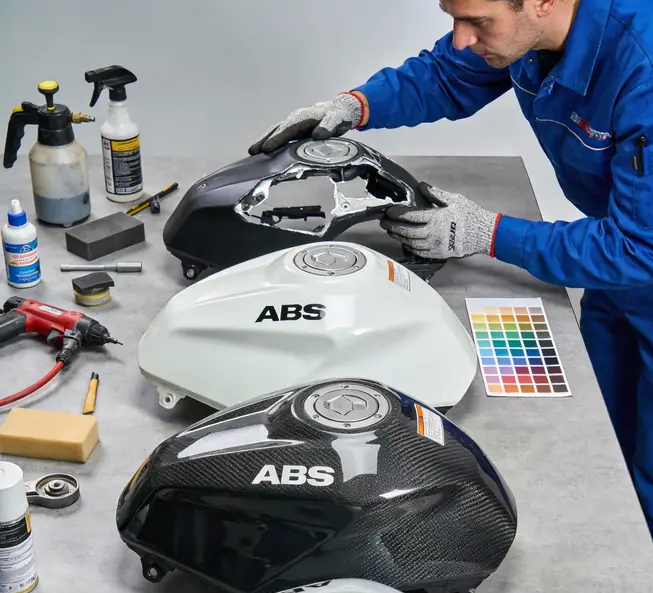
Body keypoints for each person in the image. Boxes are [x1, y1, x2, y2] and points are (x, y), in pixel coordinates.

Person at [249, 0, 653, 536]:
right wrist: (355, 105)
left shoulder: (642, 66)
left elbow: (637, 247)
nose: (461, 37)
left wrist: (486, 233)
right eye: (453, 17)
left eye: (478, 22)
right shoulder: (529, 34)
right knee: (601, 445)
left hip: (633, 254)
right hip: (618, 277)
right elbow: (447, 74)